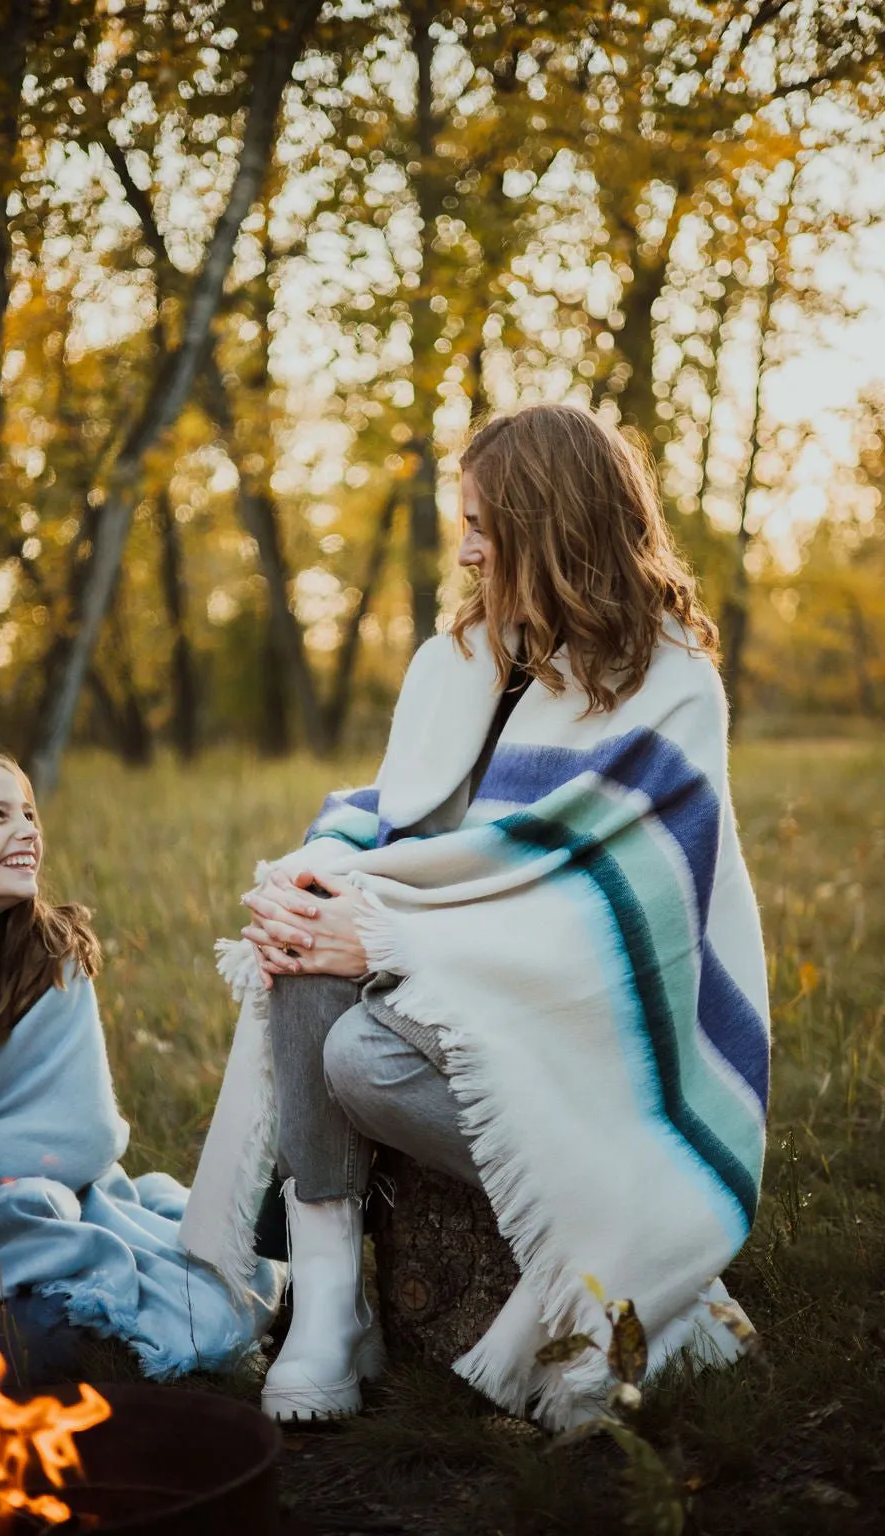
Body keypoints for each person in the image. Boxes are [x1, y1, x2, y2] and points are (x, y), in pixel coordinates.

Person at [179, 403, 771, 1430]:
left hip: (590, 1030)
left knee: (360, 1053)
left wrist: (401, 934)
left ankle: (625, 1219)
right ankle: (328, 1311)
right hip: (447, 981)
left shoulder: (669, 684)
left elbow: (608, 904)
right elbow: (395, 813)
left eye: (482, 527)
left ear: (555, 527)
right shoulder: (459, 658)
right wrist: (321, 872)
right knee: (312, 930)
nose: (462, 551)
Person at [0, 751, 282, 1384]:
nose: (28, 830)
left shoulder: (50, 960)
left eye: (29, 813)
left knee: (39, 1343)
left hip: (34, 1206)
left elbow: (79, 1128)